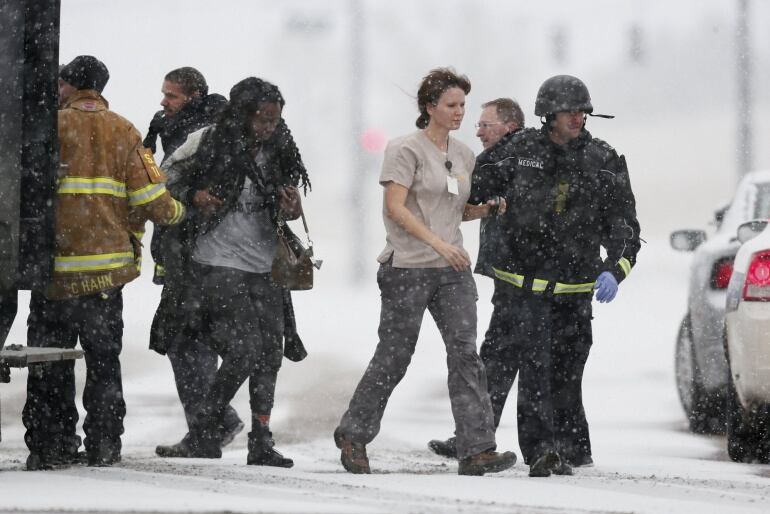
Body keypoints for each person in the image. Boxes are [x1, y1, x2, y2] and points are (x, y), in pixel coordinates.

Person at [333, 68, 516, 476]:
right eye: (451, 105)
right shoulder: (405, 150)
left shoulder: (466, 155)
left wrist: (483, 211)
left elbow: (453, 209)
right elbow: (396, 208)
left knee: (466, 354)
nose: (459, 113)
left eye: (463, 106)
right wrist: (438, 244)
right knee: (395, 355)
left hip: (452, 272)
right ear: (430, 107)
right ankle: (354, 433)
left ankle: (476, 449)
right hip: (408, 268)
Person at [470, 75, 641, 477]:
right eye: (570, 111)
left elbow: (625, 226)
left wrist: (616, 269)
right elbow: (471, 190)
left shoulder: (603, 160)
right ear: (548, 114)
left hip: (577, 294)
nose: (578, 118)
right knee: (536, 372)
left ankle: (573, 449)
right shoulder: (516, 151)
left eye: (583, 110)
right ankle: (542, 451)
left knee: (568, 373)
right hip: (523, 291)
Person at [22, 55, 186, 470]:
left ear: (67, 86)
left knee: (48, 358)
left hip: (54, 272)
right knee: (103, 362)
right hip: (105, 277)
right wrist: (181, 215)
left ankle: (50, 444)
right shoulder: (124, 131)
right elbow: (152, 201)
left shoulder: (48, 128)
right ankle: (104, 445)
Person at [158, 77, 311, 467]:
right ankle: (204, 428)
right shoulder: (208, 141)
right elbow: (162, 180)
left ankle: (261, 440)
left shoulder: (279, 147)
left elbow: (289, 201)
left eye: (275, 120)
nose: (268, 127)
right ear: (241, 115)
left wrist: (291, 206)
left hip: (265, 263)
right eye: (262, 119)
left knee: (270, 356)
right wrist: (195, 197)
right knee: (244, 351)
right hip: (218, 262)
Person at [144, 67, 244, 456]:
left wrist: (190, 198)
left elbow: (182, 185)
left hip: (201, 254)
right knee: (191, 341)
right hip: (188, 251)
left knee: (187, 341)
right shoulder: (173, 126)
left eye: (171, 95)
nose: (163, 102)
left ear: (196, 95)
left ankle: (214, 422)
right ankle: (209, 427)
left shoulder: (210, 132)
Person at [428, 97, 525, 459]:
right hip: (522, 278)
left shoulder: (500, 160)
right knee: (534, 361)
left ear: (510, 127)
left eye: (486, 125)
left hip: (517, 279)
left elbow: (460, 194)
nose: (479, 131)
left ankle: (474, 437)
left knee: (495, 359)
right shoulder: (531, 158)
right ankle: (570, 445)